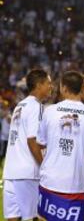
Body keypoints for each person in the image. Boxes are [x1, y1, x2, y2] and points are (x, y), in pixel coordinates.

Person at [36, 71, 84, 221]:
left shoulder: (49, 112)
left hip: (49, 181)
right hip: (75, 185)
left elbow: (41, 142)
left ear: (63, 88)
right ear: (81, 88)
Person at [2, 68, 52, 221]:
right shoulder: (36, 107)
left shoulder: (20, 106)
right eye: (48, 83)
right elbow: (32, 140)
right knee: (32, 217)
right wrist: (44, 167)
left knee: (13, 218)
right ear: (39, 85)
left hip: (11, 172)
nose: (51, 87)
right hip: (27, 173)